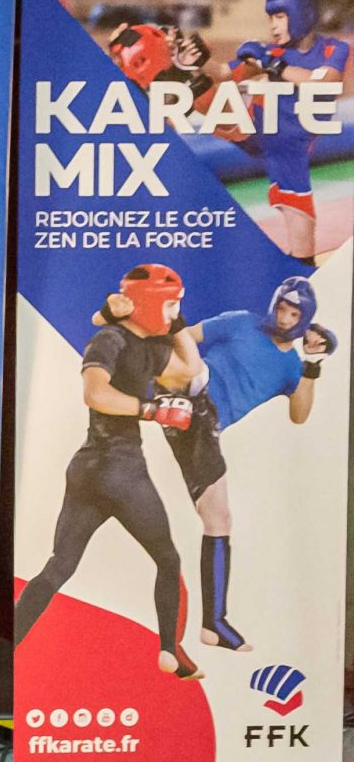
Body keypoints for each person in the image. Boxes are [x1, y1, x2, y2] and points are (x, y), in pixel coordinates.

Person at [11, 264, 206, 678]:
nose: (175, 313)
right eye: (170, 305)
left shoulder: (148, 345)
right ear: (149, 304)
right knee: (168, 559)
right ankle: (170, 651)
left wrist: (174, 319)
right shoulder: (109, 339)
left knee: (60, 565)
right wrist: (150, 410)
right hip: (121, 470)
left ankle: (4, 650)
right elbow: (95, 394)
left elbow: (189, 370)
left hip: (87, 468)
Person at [144, 275, 334, 652]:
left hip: (204, 428)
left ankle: (213, 624)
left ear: (304, 318)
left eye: (293, 313)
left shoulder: (292, 367)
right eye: (282, 308)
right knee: (194, 372)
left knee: (219, 519)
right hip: (190, 395)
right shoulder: (242, 322)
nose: (284, 317)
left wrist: (312, 364)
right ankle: (170, 387)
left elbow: (299, 416)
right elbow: (185, 339)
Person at [222, 0, 346, 265]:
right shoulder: (272, 53)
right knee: (206, 92)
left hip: (290, 141)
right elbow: (221, 72)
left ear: (301, 14)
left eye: (279, 16)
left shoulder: (333, 49)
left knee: (293, 196)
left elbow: (323, 82)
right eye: (270, 18)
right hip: (259, 131)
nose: (273, 26)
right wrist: (192, 60)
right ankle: (302, 262)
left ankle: (301, 261)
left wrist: (273, 64)